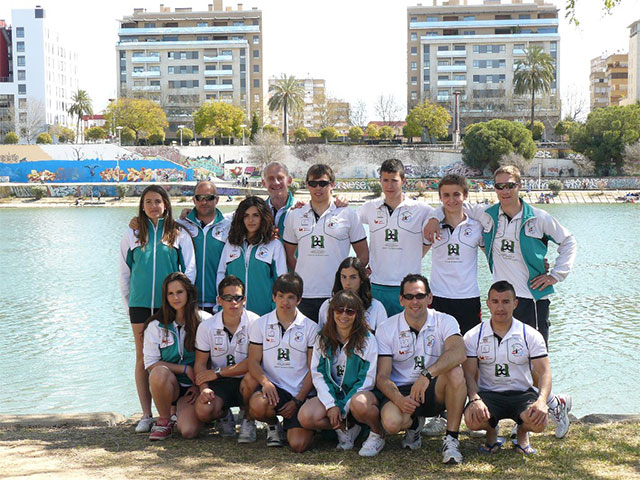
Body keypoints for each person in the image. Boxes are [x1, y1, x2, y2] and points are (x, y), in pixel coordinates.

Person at [424, 165, 575, 438]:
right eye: (499, 186)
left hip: (531, 298)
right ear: (493, 188)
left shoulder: (538, 218)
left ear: (520, 186)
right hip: (502, 301)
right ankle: (494, 414)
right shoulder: (488, 216)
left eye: (510, 185)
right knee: (496, 359)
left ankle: (553, 404)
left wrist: (555, 275)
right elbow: (455, 205)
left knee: (535, 363)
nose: (505, 191)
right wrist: (435, 216)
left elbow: (569, 241)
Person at [120, 185, 196, 433]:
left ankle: (171, 413)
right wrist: (129, 304)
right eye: (149, 201)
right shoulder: (131, 234)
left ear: (166, 205)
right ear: (142, 205)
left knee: (170, 355)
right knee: (143, 358)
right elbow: (125, 273)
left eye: (158, 201)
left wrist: (182, 302)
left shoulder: (177, 234)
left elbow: (189, 270)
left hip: (170, 305)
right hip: (140, 305)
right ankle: (146, 414)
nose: (153, 206)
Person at [375, 274, 467, 465]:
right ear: (401, 300)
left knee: (456, 372)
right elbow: (382, 376)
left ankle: (451, 439)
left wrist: (427, 374)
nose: (414, 301)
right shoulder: (386, 328)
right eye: (408, 297)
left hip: (434, 387)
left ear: (429, 298)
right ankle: (415, 424)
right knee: (391, 423)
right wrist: (399, 399)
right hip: (403, 391)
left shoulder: (445, 320)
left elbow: (459, 352)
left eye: (419, 296)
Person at [463, 281, 552, 455]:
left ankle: (521, 433)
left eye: (506, 301)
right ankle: (491, 432)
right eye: (495, 301)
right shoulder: (473, 335)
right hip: (488, 395)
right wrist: (474, 399)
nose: (500, 307)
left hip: (522, 394)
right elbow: (468, 373)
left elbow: (544, 372)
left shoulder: (530, 335)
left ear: (515, 303)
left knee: (539, 423)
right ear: (488, 303)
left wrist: (541, 401)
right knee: (472, 420)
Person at [299, 290, 385, 457]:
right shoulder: (321, 338)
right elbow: (318, 374)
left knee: (359, 404)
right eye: (339, 310)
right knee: (306, 416)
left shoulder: (368, 340)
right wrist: (331, 404)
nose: (343, 315)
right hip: (333, 395)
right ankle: (348, 429)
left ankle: (377, 433)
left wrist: (342, 407)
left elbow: (366, 380)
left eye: (350, 311)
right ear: (332, 312)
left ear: (357, 314)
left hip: (358, 395)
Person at [283, 164, 368, 322]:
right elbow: (288, 255)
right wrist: (303, 274)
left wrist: (349, 281)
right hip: (304, 295)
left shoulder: (348, 214)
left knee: (335, 343)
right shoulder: (294, 215)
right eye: (313, 183)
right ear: (307, 185)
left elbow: (363, 254)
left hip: (337, 295)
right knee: (305, 344)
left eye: (323, 183)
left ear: (332, 184)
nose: (318, 188)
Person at [246, 273, 319, 452]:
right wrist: (265, 383)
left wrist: (298, 400)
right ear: (273, 297)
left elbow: (313, 369)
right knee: (257, 405)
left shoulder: (311, 328)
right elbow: (253, 362)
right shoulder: (260, 324)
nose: (285, 302)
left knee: (298, 445)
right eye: (280, 296)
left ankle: (304, 425)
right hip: (274, 388)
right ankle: (273, 425)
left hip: (300, 393)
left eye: (290, 297)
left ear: (299, 300)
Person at [132, 181, 230, 313]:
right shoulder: (179, 226)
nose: (204, 202)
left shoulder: (229, 226)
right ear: (194, 200)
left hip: (220, 301)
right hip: (190, 303)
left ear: (217, 199)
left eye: (209, 198)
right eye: (200, 198)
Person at [358, 159, 433, 317]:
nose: (389, 185)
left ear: (403, 181)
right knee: (377, 335)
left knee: (407, 335)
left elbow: (443, 215)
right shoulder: (369, 207)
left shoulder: (421, 210)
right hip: (377, 285)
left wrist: (416, 255)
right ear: (380, 181)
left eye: (394, 180)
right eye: (385, 180)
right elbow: (345, 224)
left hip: (407, 288)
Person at [193, 275, 260, 442]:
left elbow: (254, 361)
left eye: (237, 298)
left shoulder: (255, 322)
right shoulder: (206, 326)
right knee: (203, 411)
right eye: (228, 298)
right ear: (219, 300)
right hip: (220, 383)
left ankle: (248, 418)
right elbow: (200, 364)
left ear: (244, 299)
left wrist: (218, 372)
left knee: (252, 376)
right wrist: (204, 389)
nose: (233, 303)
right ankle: (223, 414)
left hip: (245, 379)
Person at [143, 272, 209, 440]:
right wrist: (184, 368)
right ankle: (164, 420)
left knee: (188, 432)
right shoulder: (155, 325)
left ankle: (187, 414)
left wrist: (199, 386)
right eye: (170, 294)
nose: (175, 298)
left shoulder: (205, 321)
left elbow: (213, 360)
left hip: (194, 387)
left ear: (188, 293)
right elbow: (151, 363)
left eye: (179, 292)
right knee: (158, 372)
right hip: (169, 385)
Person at [425, 174, 483, 336]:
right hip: (438, 297)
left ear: (465, 195)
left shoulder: (477, 227)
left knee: (470, 351)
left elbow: (495, 257)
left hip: (468, 298)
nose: (451, 200)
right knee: (438, 348)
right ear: (440, 198)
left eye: (456, 194)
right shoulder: (431, 226)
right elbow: (416, 255)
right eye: (446, 195)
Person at [217, 196, 287, 316]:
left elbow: (281, 282)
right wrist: (220, 306)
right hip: (234, 315)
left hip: (264, 316)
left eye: (256, 215)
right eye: (246, 215)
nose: (251, 220)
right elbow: (221, 275)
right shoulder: (231, 244)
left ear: (263, 217)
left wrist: (275, 310)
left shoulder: (274, 245)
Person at [317, 257, 387, 332]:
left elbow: (383, 338)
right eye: (344, 277)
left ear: (362, 279)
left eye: (353, 277)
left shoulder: (376, 307)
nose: (347, 283)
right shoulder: (327, 305)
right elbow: (322, 336)